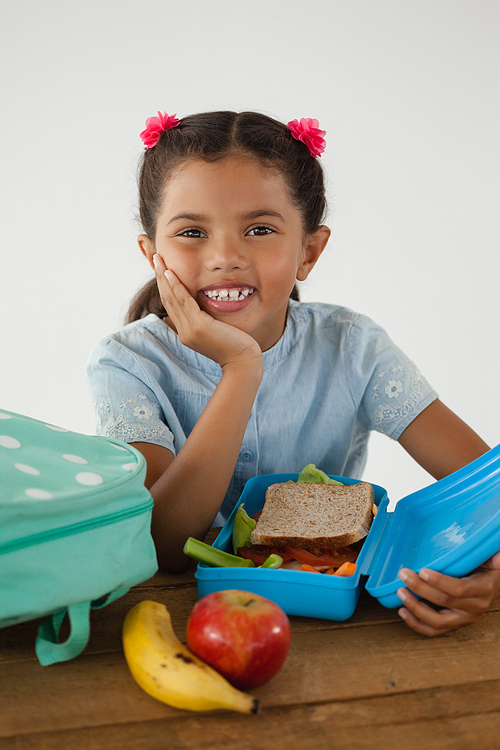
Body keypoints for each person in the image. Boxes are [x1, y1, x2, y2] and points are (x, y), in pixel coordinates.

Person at [86, 110, 500, 636]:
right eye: (192, 232)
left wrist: (485, 575)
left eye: (259, 229)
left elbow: (488, 492)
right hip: (185, 619)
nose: (224, 257)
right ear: (153, 255)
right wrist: (240, 369)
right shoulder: (126, 362)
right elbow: (166, 544)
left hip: (336, 626)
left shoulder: (353, 347)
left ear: (310, 250)